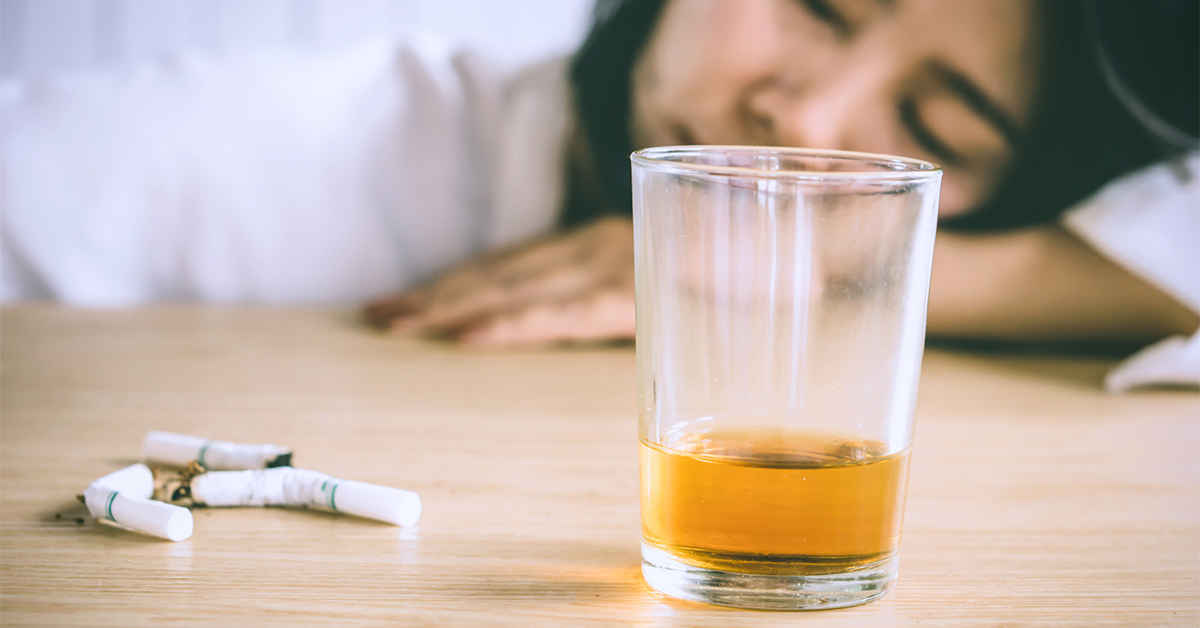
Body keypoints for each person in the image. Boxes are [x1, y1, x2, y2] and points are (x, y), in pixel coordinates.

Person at [2, 0, 1196, 390]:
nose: (808, 119)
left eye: (936, 129)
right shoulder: (235, 143)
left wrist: (853, 263)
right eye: (822, 2)